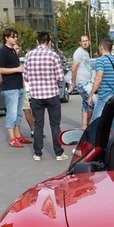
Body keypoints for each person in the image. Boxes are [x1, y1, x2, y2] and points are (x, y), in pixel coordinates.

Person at [24, 31, 67, 161]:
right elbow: (60, 77)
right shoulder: (53, 55)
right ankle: (59, 153)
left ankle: (37, 153)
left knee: (38, 124)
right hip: (52, 94)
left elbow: (25, 76)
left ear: (37, 41)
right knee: (55, 125)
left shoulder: (28, 56)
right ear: (49, 42)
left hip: (36, 95)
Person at [0, 28, 27, 148]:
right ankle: (12, 138)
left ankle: (18, 135)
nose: (15, 38)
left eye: (16, 36)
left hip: (18, 85)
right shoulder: (3, 51)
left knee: (19, 113)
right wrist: (17, 69)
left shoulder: (13, 51)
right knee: (12, 113)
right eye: (13, 36)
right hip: (10, 87)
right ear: (6, 38)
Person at [87, 38, 114, 122]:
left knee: (95, 124)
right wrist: (111, 81)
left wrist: (91, 95)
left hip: (104, 97)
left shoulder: (100, 60)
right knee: (112, 124)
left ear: (101, 47)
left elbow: (98, 78)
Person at [71, 35, 94, 129]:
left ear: (89, 41)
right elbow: (74, 68)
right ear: (80, 42)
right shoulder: (79, 52)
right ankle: (88, 125)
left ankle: (84, 125)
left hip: (86, 82)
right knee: (92, 102)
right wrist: (73, 82)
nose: (85, 42)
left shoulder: (85, 52)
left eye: (86, 40)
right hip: (82, 83)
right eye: (83, 41)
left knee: (85, 104)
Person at [14, 43, 35, 140]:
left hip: (24, 89)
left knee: (27, 110)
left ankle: (33, 130)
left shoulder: (21, 60)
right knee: (15, 112)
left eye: (18, 48)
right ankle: (16, 133)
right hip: (16, 88)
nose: (17, 50)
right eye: (16, 48)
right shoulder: (11, 60)